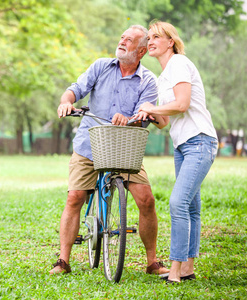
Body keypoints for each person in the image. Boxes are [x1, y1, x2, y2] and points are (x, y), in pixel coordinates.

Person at [50, 25, 169, 276]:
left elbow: (145, 113)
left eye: (129, 40)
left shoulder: (148, 80)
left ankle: (152, 262)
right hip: (89, 144)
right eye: (122, 38)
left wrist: (130, 118)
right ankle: (63, 260)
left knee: (146, 200)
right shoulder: (101, 66)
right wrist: (66, 101)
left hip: (125, 148)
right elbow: (76, 88)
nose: (122, 42)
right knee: (75, 198)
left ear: (141, 51)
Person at [136, 21, 218, 283]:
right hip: (183, 145)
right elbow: (166, 120)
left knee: (177, 202)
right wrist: (148, 113)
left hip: (199, 140)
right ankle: (187, 268)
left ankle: (174, 272)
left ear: (170, 41)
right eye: (148, 38)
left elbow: (181, 104)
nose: (150, 41)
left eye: (156, 37)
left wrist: (152, 106)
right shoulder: (163, 76)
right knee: (192, 207)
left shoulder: (180, 63)